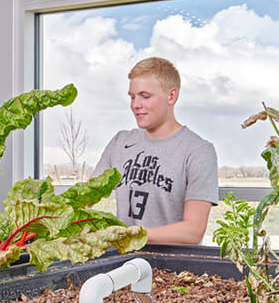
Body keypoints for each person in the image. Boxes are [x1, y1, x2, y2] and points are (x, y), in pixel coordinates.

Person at [93, 57, 218, 244]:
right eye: (132, 96)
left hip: (173, 267)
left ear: (171, 96)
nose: (136, 105)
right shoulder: (120, 142)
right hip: (121, 261)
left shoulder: (198, 151)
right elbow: (84, 197)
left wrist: (129, 236)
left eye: (145, 96)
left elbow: (193, 231)